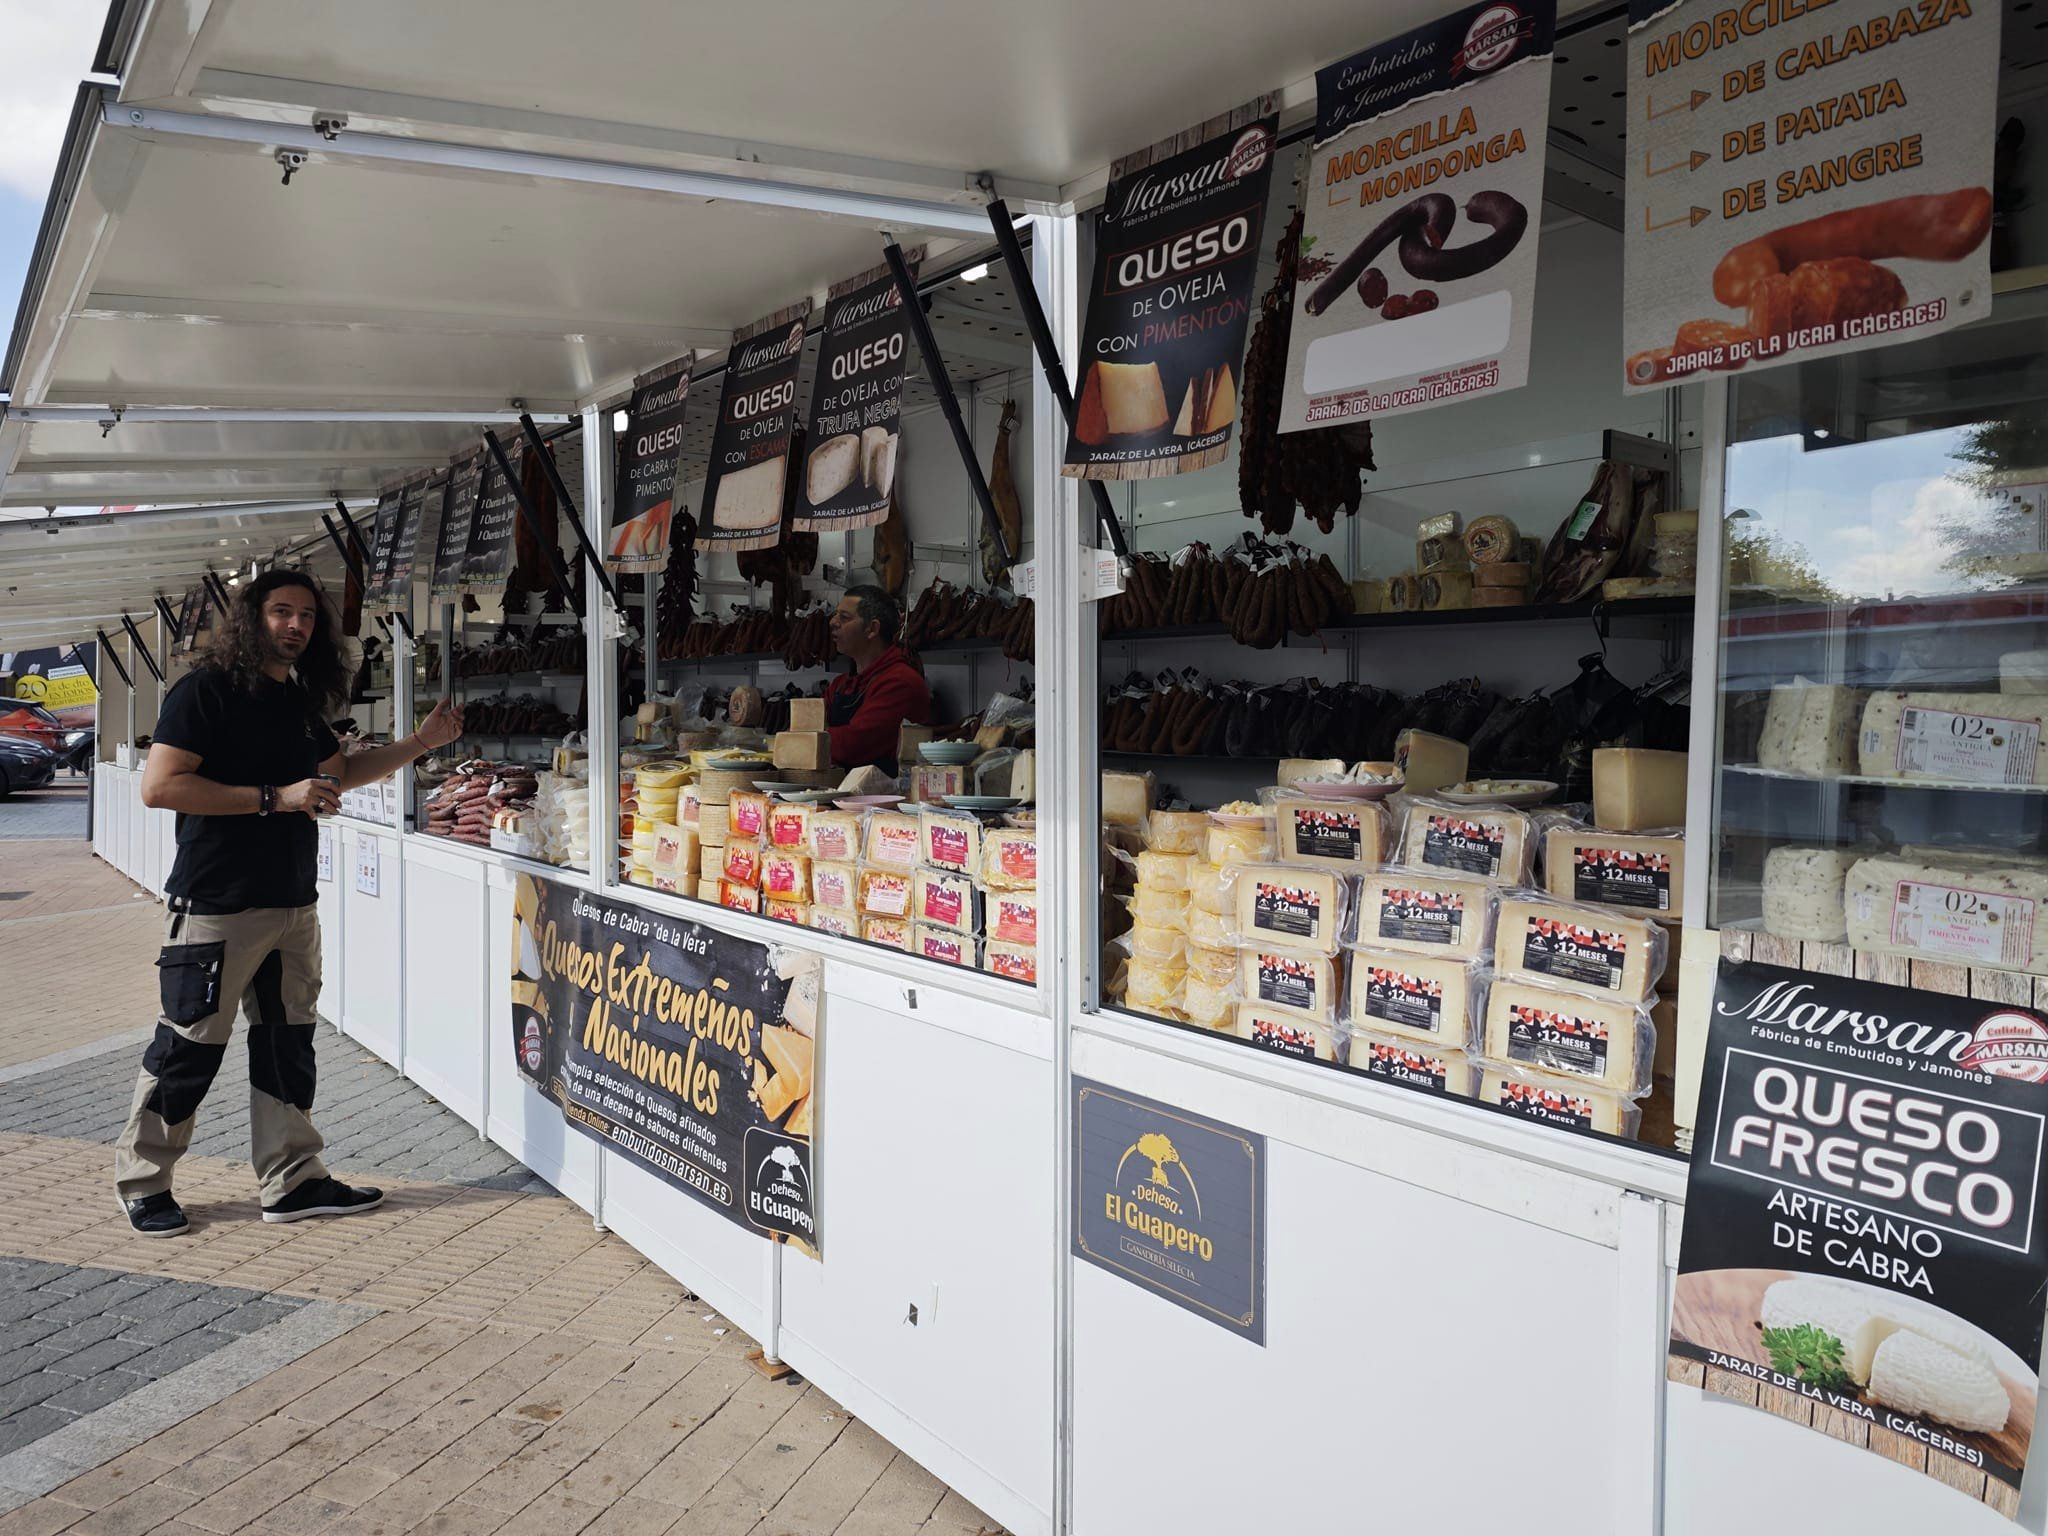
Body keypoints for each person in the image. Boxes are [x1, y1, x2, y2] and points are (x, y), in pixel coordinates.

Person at [117, 569, 464, 1237]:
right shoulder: (204, 692)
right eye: (281, 611)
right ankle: (144, 1180)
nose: (295, 626)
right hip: (217, 903)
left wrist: (420, 744)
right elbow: (160, 787)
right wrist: (277, 797)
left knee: (288, 1047)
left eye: (306, 616)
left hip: (291, 906)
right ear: (252, 618)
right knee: (189, 1045)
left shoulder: (298, 700)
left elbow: (338, 773)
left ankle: (294, 1180)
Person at [823, 585, 932, 776]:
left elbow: (855, 744)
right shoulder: (840, 684)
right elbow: (806, 729)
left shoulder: (900, 682)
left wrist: (808, 739)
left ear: (872, 629)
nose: (833, 622)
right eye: (835, 615)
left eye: (844, 617)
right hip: (841, 796)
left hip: (885, 800)